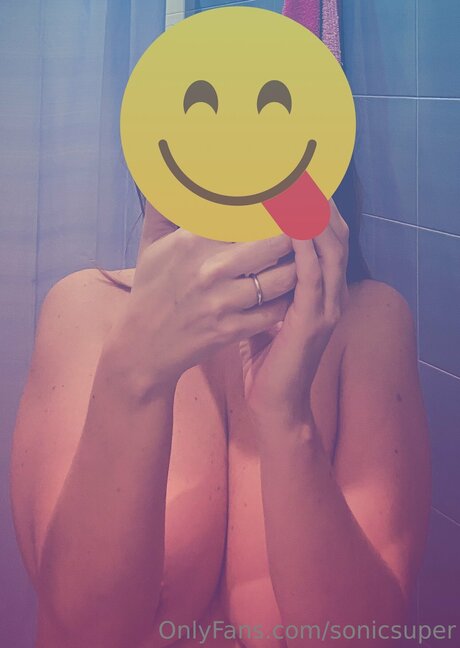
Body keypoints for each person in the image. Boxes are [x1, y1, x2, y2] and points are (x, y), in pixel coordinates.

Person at [10, 161, 431, 648]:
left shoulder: (372, 322)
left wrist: (285, 417)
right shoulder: (87, 311)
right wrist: (136, 375)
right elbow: (83, 632)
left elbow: (359, 638)